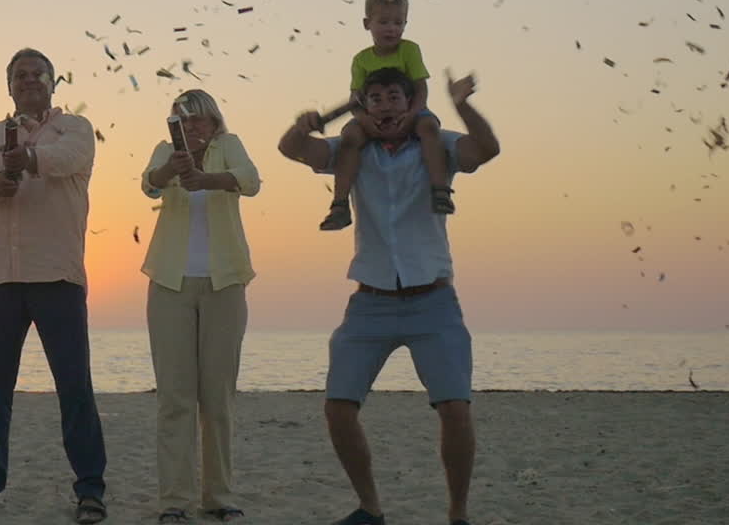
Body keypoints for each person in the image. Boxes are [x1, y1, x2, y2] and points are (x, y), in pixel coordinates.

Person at [278, 67, 501, 525]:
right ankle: (370, 508)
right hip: (370, 300)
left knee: (455, 408)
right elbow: (293, 149)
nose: (385, 106)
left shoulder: (437, 145)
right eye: (375, 98)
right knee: (338, 408)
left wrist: (462, 104)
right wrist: (302, 126)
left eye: (393, 97)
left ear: (410, 102)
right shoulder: (352, 151)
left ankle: (458, 514)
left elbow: (486, 150)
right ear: (365, 107)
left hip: (433, 299)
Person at [0, 48, 108, 524]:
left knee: (74, 387)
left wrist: (30, 157)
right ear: (9, 86)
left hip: (57, 275)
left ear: (54, 83)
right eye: (21, 75)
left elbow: (67, 160)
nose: (30, 80)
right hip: (0, 277)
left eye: (39, 73)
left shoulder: (75, 128)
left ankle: (90, 489)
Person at [140, 90, 260, 524]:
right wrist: (174, 168)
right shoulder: (166, 151)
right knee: (175, 398)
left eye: (199, 119)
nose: (192, 127)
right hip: (169, 282)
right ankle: (174, 500)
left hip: (224, 282)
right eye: (183, 120)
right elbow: (149, 183)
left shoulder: (230, 146)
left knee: (218, 399)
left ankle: (218, 496)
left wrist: (207, 179)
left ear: (214, 121)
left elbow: (250, 181)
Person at [320, 0, 453, 231]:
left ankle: (440, 190)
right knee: (349, 137)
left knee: (429, 128)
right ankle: (339, 204)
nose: (391, 28)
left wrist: (412, 114)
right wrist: (364, 120)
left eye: (398, 22)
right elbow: (355, 99)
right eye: (383, 22)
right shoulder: (361, 60)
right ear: (367, 23)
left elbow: (421, 89)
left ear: (405, 24)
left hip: (410, 111)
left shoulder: (410, 50)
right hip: (373, 115)